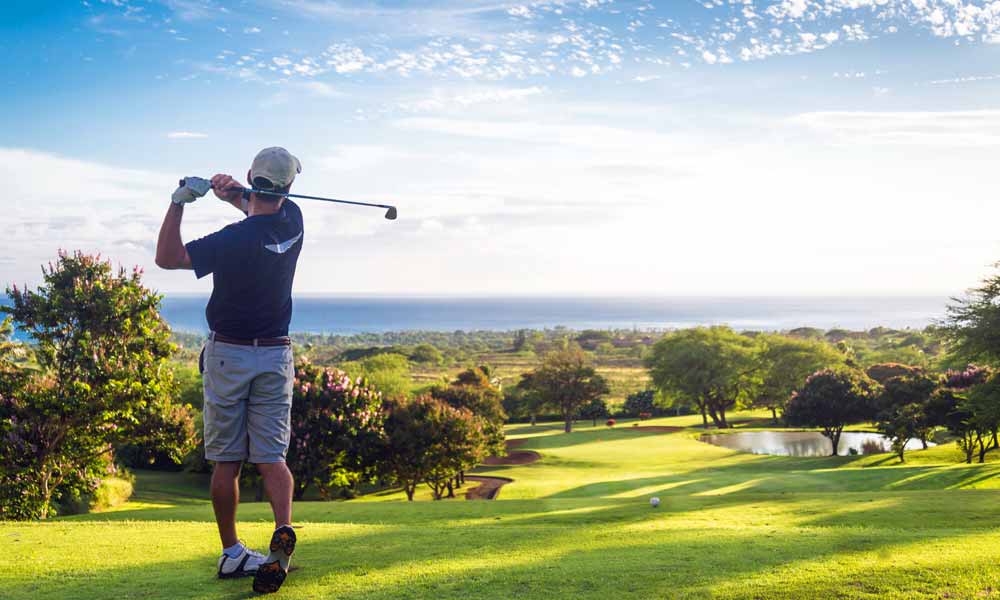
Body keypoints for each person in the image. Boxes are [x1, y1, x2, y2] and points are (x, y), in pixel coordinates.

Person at [154, 147, 304, 594]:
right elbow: (259, 207)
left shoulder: (231, 240)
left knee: (227, 460)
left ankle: (232, 553)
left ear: (251, 176)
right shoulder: (293, 221)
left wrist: (179, 202)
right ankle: (282, 533)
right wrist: (233, 194)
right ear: (289, 187)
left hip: (229, 356)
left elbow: (168, 257)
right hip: (275, 355)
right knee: (272, 458)